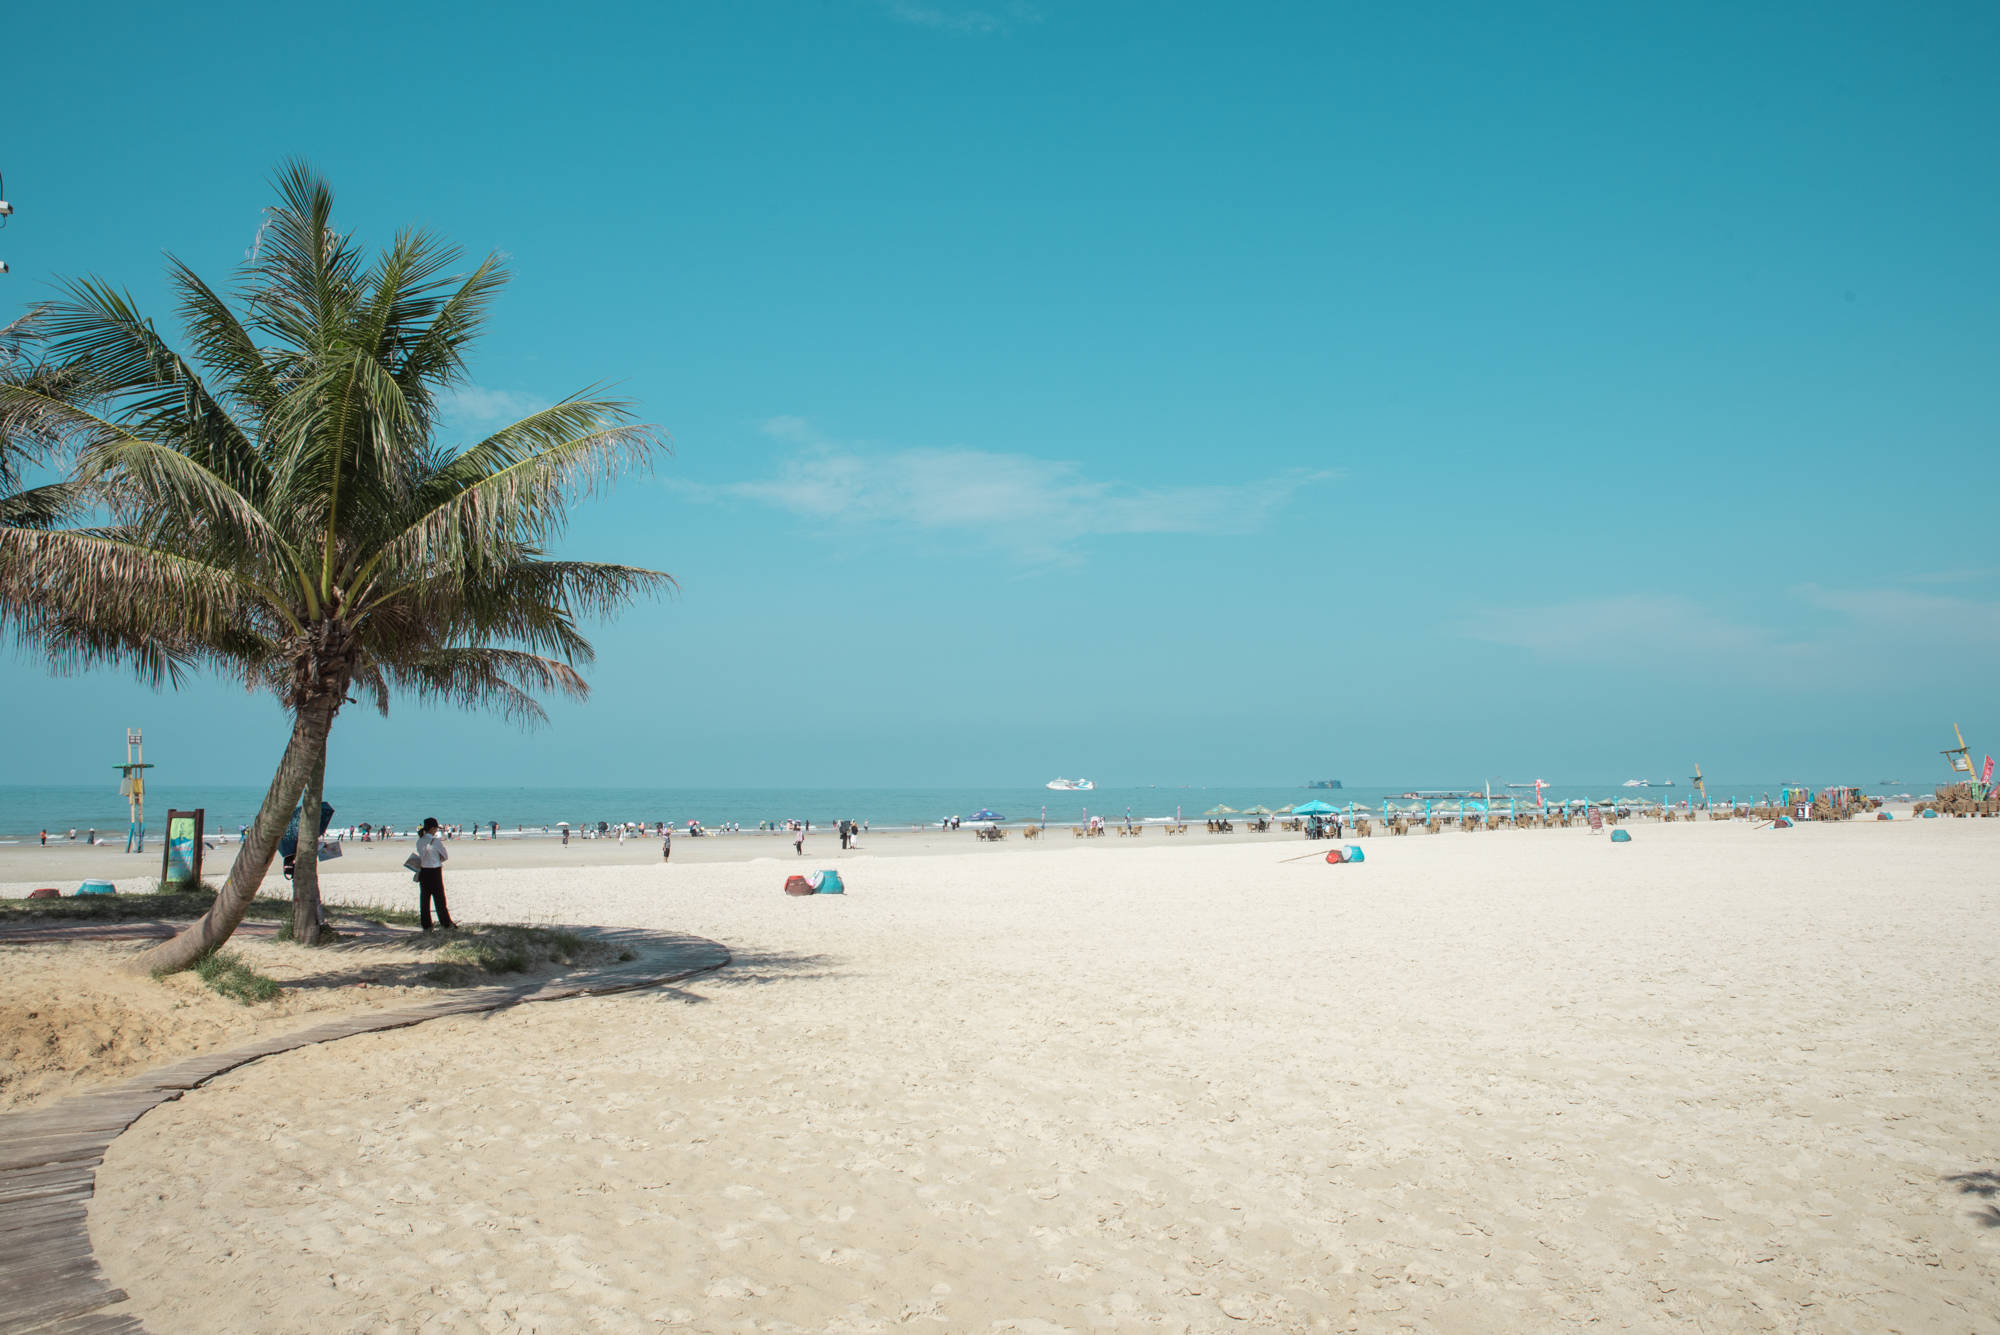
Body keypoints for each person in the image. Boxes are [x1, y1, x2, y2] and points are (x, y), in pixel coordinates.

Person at [415, 817, 455, 931]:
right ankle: (446, 923)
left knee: (424, 899)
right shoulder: (435, 841)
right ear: (433, 828)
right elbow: (445, 856)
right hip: (434, 870)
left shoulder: (420, 840)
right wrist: (437, 859)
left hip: (424, 871)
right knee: (439, 899)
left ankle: (426, 925)